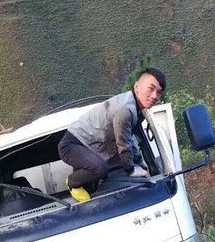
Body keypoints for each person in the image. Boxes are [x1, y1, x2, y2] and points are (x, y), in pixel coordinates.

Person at [58, 68, 166, 202]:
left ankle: (81, 181)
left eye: (159, 92)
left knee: (95, 182)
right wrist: (131, 170)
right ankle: (72, 182)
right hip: (72, 145)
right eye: (151, 88)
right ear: (137, 87)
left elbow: (130, 140)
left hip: (88, 146)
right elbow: (123, 143)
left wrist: (140, 162)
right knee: (100, 169)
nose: (155, 96)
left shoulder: (136, 109)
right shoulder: (125, 110)